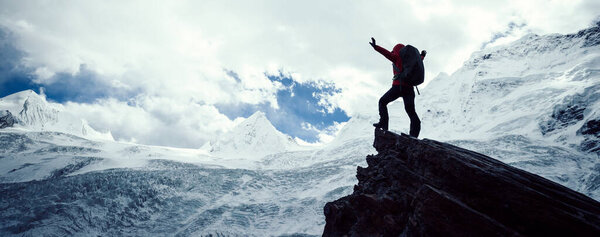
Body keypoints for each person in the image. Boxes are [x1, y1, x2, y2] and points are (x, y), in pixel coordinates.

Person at [369, 37, 425, 138]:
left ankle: (384, 125)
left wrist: (376, 47)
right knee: (411, 111)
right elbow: (419, 60)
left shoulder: (396, 57)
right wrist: (422, 55)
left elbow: (386, 53)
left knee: (382, 102)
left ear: (396, 51)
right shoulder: (411, 59)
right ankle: (414, 135)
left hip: (398, 87)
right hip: (409, 89)